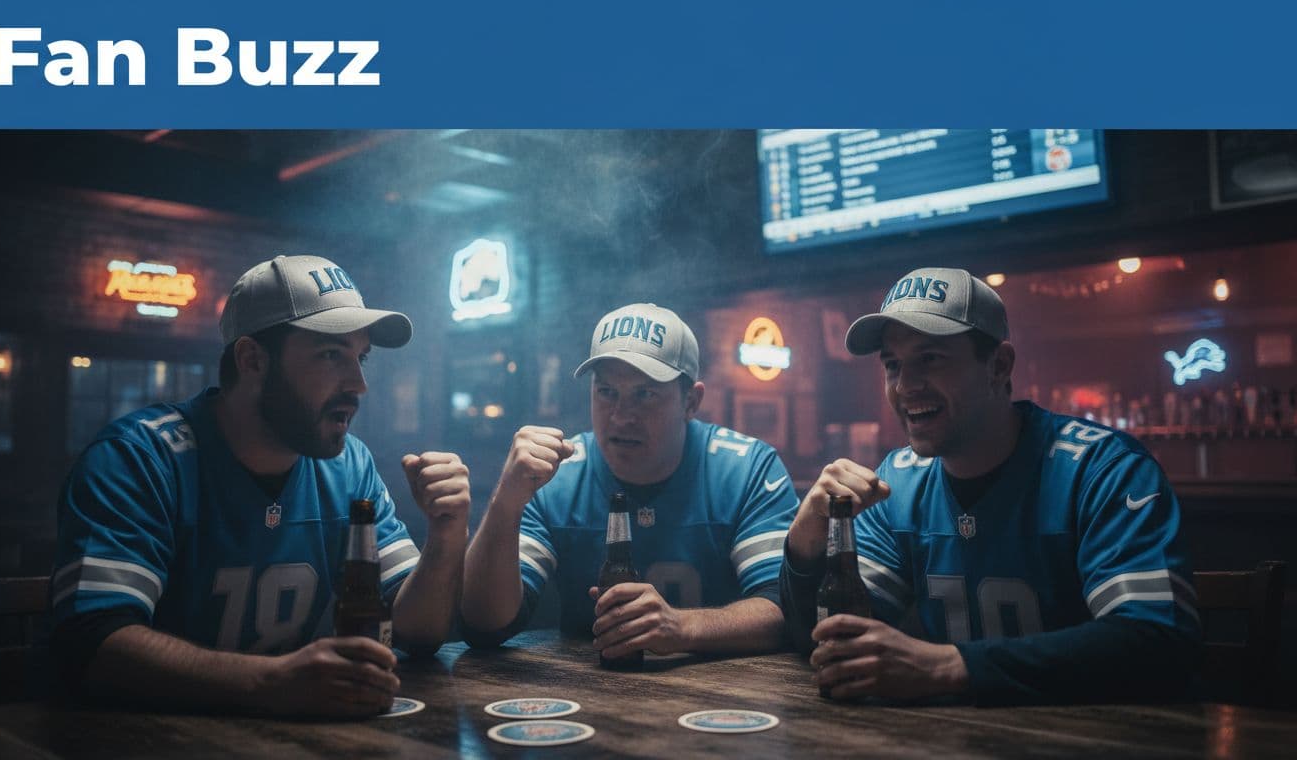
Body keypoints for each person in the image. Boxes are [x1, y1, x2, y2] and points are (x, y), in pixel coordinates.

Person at [50, 254, 471, 718]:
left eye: (360, 357)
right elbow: (92, 644)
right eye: (332, 354)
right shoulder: (138, 458)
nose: (359, 384)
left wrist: (446, 534)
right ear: (252, 360)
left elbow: (418, 630)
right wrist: (270, 681)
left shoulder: (350, 465)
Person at [782, 267, 1200, 705]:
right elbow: (830, 639)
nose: (905, 386)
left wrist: (949, 666)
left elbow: (1158, 642)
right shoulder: (898, 483)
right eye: (893, 365)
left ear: (999, 366)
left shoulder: (1102, 469)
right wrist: (805, 541)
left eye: (931, 358)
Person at [461, 303, 797, 661]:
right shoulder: (557, 475)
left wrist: (682, 628)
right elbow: (485, 625)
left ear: (691, 401)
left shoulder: (747, 469)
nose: (621, 417)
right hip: (587, 701)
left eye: (645, 394)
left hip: (731, 706)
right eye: (606, 392)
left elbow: (781, 608)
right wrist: (505, 502)